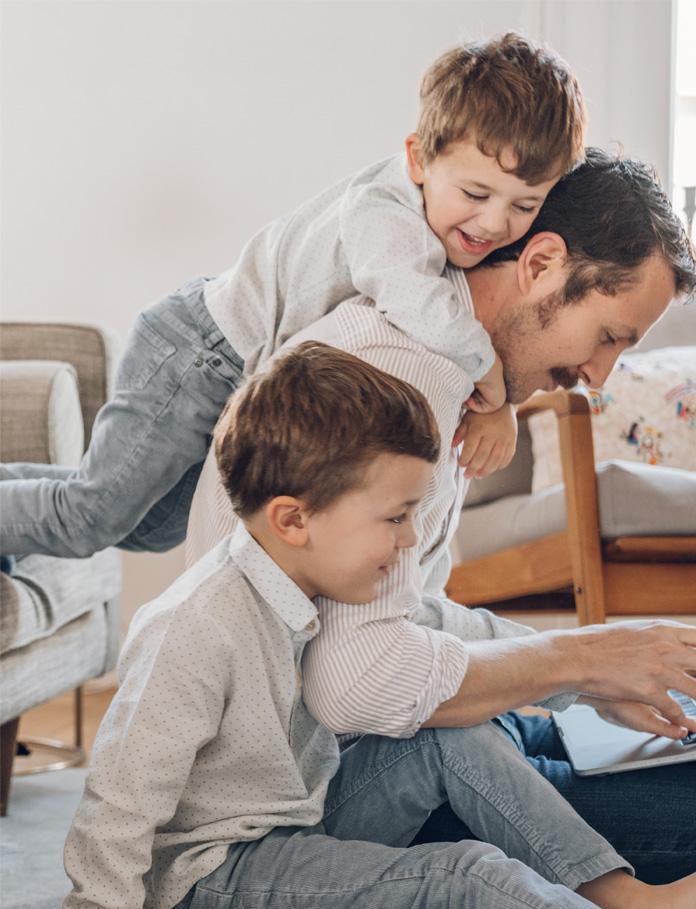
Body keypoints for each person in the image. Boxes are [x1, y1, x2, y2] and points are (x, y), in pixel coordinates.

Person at [59, 345, 696, 909]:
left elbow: (441, 640)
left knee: (446, 735)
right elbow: (117, 804)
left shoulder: (315, 575)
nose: (409, 541)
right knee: (461, 875)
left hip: (303, 812)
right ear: (293, 519)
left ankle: (623, 900)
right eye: (396, 517)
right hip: (212, 886)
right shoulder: (195, 628)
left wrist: (590, 666)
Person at [186, 148, 696, 909]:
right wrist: (584, 660)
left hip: (426, 733)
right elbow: (355, 680)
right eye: (607, 335)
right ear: (542, 263)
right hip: (367, 781)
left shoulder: (451, 375)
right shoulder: (397, 382)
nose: (599, 377)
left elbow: (415, 618)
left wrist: (592, 675)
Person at [0, 31, 585, 562]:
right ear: (417, 159)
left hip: (228, 373)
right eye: (476, 193)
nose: (494, 222)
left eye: (524, 206)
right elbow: (414, 298)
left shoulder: (450, 229)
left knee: (151, 527)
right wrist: (494, 388)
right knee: (89, 518)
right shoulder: (384, 215)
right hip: (195, 353)